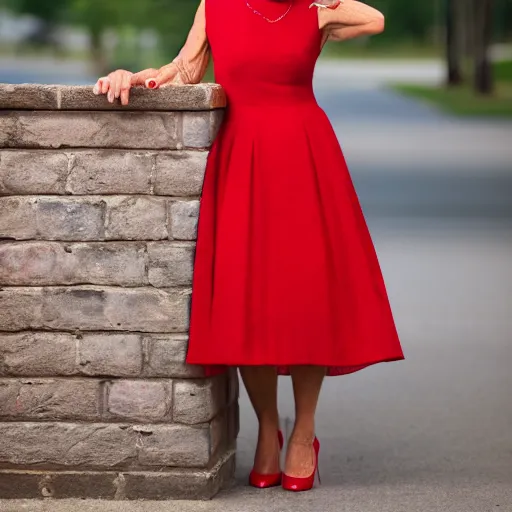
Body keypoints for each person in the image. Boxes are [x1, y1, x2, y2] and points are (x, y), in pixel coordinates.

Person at [94, 0, 404, 493]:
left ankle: (304, 432)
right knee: (248, 299)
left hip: (306, 156)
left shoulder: (315, 10)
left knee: (305, 295)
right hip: (242, 159)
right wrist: (133, 77)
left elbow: (375, 19)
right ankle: (267, 426)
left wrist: (322, 13)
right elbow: (184, 70)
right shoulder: (214, 7)